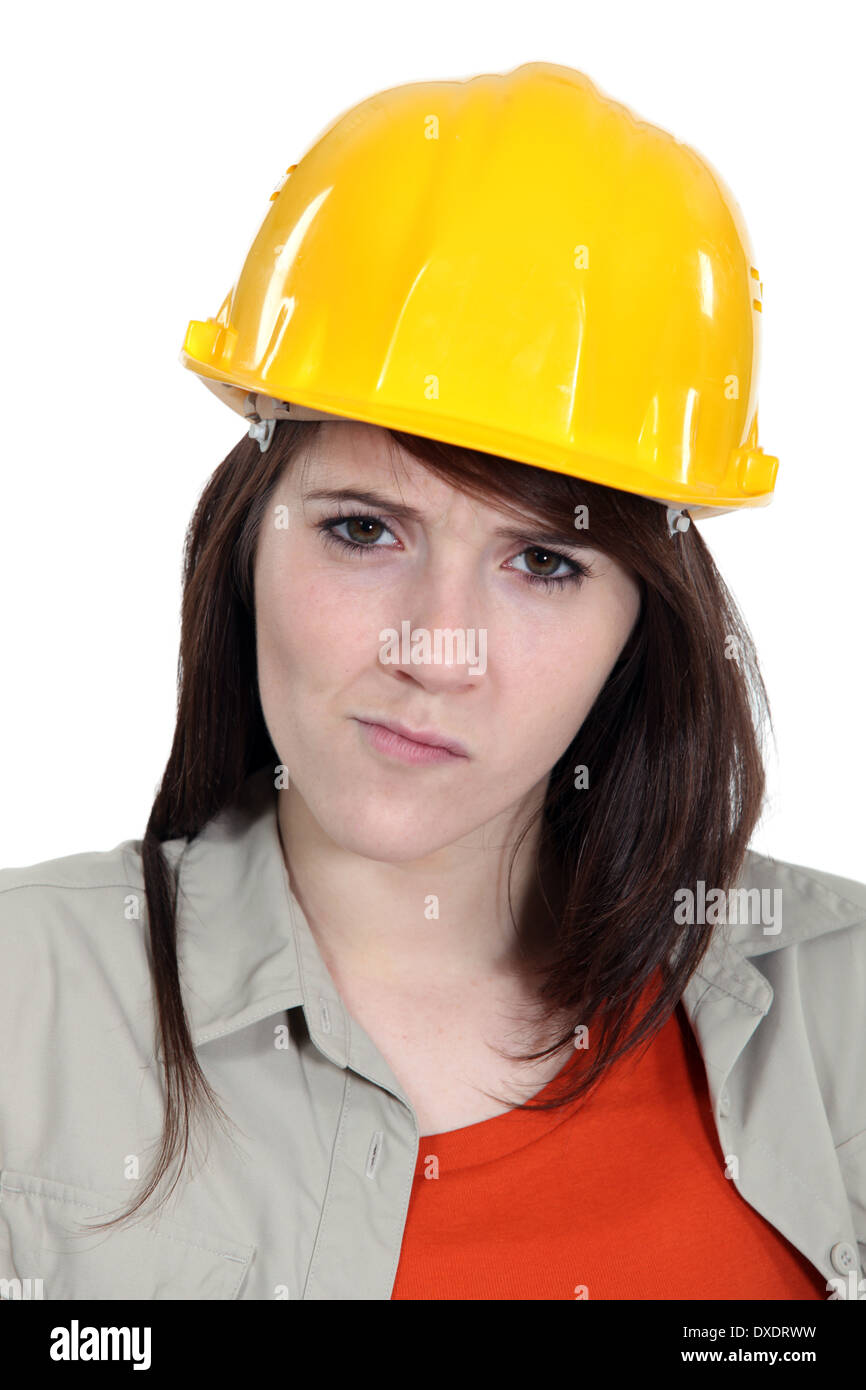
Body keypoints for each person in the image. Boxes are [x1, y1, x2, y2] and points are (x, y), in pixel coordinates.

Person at [1, 62, 864, 1303]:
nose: (434, 648)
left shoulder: (835, 991)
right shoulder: (20, 999)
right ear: (247, 542)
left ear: (642, 621)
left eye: (542, 562)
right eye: (363, 530)